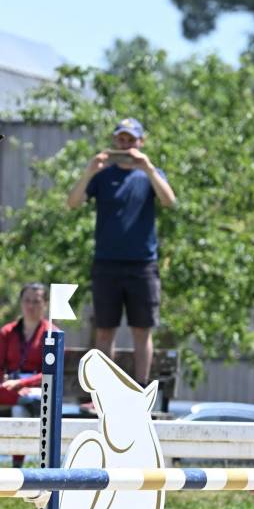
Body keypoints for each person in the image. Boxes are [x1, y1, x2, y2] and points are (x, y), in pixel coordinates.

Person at [65, 117, 176, 384]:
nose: (125, 144)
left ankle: (141, 389)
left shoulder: (150, 174)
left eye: (131, 140)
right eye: (121, 139)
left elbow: (170, 202)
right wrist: (89, 171)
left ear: (141, 142)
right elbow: (73, 203)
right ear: (115, 140)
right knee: (104, 332)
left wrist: (148, 168)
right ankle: (106, 391)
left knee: (142, 331)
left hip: (143, 265)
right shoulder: (102, 175)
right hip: (106, 264)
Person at [0, 283, 54, 420]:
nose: (31, 306)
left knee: (21, 409)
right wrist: (5, 385)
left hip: (35, 390)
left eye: (36, 301)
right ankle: (25, 401)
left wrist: (22, 384)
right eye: (27, 300)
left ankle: (25, 402)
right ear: (21, 303)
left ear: (45, 304)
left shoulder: (53, 334)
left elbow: (49, 372)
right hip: (8, 389)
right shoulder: (7, 331)